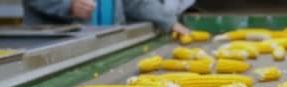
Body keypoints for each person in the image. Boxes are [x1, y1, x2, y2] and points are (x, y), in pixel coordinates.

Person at [22, 0, 191, 35]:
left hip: (108, 41)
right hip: (60, 48)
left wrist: (168, 20)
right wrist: (68, 4)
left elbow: (136, 2)